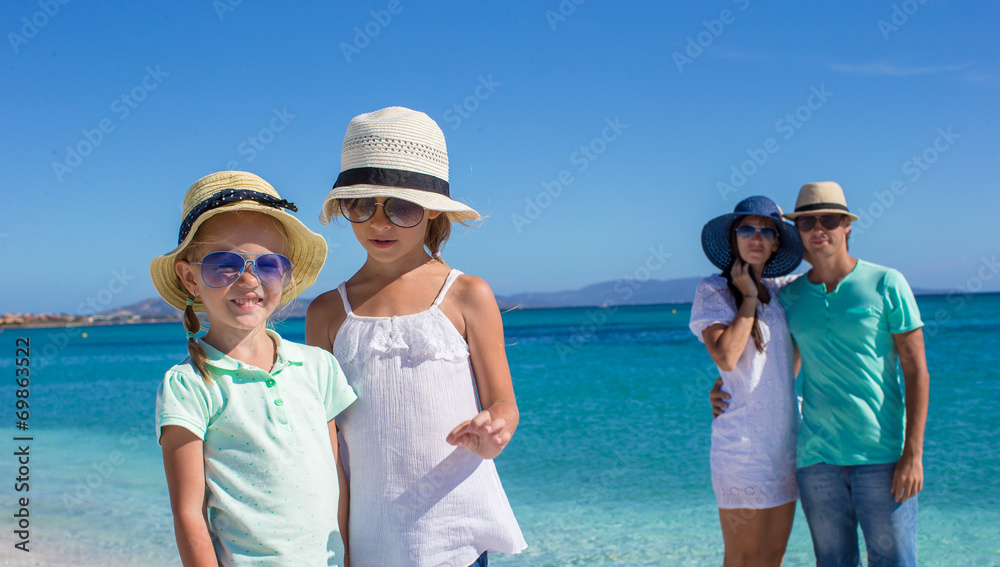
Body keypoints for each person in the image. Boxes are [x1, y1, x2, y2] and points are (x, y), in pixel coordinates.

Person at [305, 107, 527, 567]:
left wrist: (495, 431)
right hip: (369, 535)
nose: (379, 223)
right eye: (363, 204)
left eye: (400, 207)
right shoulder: (326, 312)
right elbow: (323, 443)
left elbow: (503, 403)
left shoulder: (467, 294)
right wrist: (337, 542)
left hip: (454, 527)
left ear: (431, 211)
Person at [714, 182, 930, 566]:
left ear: (847, 226)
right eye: (808, 221)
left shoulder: (886, 283)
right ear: (797, 232)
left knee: (894, 561)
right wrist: (728, 390)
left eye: (829, 220)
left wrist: (913, 454)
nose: (818, 229)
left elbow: (916, 372)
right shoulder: (791, 297)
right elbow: (777, 365)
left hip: (880, 456)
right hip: (816, 461)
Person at [152, 171, 357, 566]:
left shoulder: (318, 366)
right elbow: (189, 514)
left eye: (268, 265)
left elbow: (337, 480)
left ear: (286, 274)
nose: (249, 280)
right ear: (190, 278)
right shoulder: (189, 385)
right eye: (224, 264)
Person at [690, 195, 804, 567]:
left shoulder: (787, 290)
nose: (757, 237)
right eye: (748, 229)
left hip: (785, 442)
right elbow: (726, 356)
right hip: (741, 448)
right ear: (733, 237)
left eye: (768, 231)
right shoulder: (713, 290)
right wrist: (750, 297)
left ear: (777, 242)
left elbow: (790, 363)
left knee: (773, 556)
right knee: (742, 558)